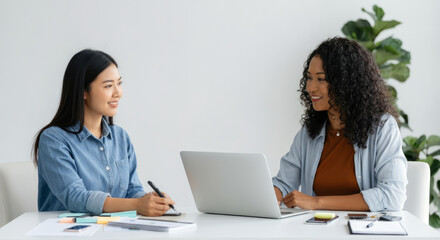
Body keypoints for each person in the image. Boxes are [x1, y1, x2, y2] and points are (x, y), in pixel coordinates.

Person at [32, 49, 175, 216]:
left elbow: (131, 191)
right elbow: (75, 197)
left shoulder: (121, 137)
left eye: (119, 83)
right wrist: (137, 204)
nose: (118, 92)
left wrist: (150, 201)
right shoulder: (54, 139)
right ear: (83, 91)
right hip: (68, 232)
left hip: (113, 229)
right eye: (108, 85)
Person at [272, 37, 407, 212]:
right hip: (314, 230)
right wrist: (273, 195)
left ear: (346, 83)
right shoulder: (310, 130)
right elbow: (283, 183)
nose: (311, 87)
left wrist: (315, 203)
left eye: (321, 79)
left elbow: (393, 196)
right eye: (309, 78)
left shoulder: (382, 127)